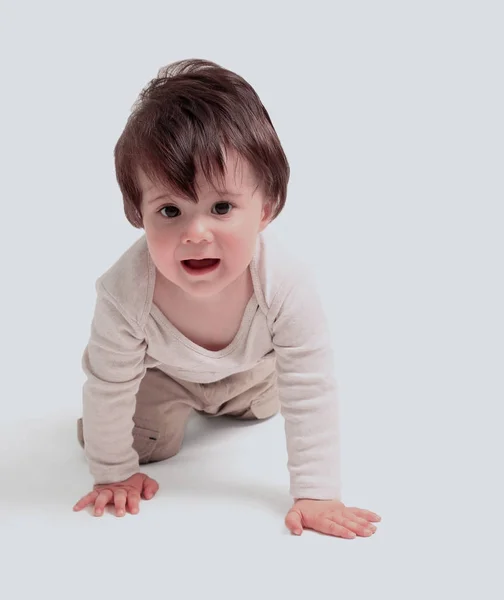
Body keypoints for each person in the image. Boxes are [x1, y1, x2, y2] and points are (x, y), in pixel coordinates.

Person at [72, 58, 381, 539]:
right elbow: (109, 384)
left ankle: (234, 405)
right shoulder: (124, 291)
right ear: (138, 212)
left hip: (254, 377)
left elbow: (310, 386)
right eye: (170, 210)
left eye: (221, 207)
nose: (196, 233)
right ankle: (124, 431)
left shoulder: (286, 284)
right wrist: (112, 471)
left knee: (271, 403)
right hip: (163, 376)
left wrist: (316, 492)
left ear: (266, 207)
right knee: (134, 439)